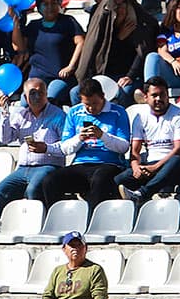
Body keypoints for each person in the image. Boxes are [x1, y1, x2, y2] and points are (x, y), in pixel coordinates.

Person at [41, 78, 131, 210]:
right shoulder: (75, 112)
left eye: (94, 103)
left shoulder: (118, 112)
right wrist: (80, 138)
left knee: (100, 179)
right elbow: (65, 148)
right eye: (86, 104)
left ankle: (92, 221)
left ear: (103, 97)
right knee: (50, 180)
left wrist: (102, 136)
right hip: (81, 163)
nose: (91, 108)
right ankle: (58, 218)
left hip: (109, 163)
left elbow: (124, 147)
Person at [0, 78, 66, 214]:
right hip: (23, 168)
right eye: (32, 93)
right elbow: (5, 139)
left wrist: (46, 148)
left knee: (33, 190)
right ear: (25, 97)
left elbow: (66, 145)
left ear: (46, 94)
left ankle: (38, 221)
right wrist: (5, 114)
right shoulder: (21, 115)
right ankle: (6, 219)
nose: (37, 97)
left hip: (48, 165)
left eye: (40, 93)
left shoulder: (58, 115)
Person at [114, 77, 180, 203]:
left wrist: (155, 167)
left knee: (176, 160)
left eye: (162, 95)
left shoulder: (179, 114)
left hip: (173, 165)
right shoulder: (140, 117)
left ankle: (142, 194)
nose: (159, 99)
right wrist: (136, 167)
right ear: (146, 97)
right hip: (150, 165)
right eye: (154, 95)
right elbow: (135, 150)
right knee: (118, 180)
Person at [30, 231, 108, 299]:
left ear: (86, 248)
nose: (75, 248)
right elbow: (47, 296)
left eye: (79, 245)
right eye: (71, 245)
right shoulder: (58, 271)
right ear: (64, 249)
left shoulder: (95, 270)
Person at [18, 0, 85, 106]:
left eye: (53, 3)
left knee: (49, 100)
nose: (50, 7)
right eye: (45, 4)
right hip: (37, 76)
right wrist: (14, 24)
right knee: (25, 103)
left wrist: (70, 66)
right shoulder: (33, 26)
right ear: (39, 7)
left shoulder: (68, 21)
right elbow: (19, 47)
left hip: (60, 77)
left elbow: (81, 42)